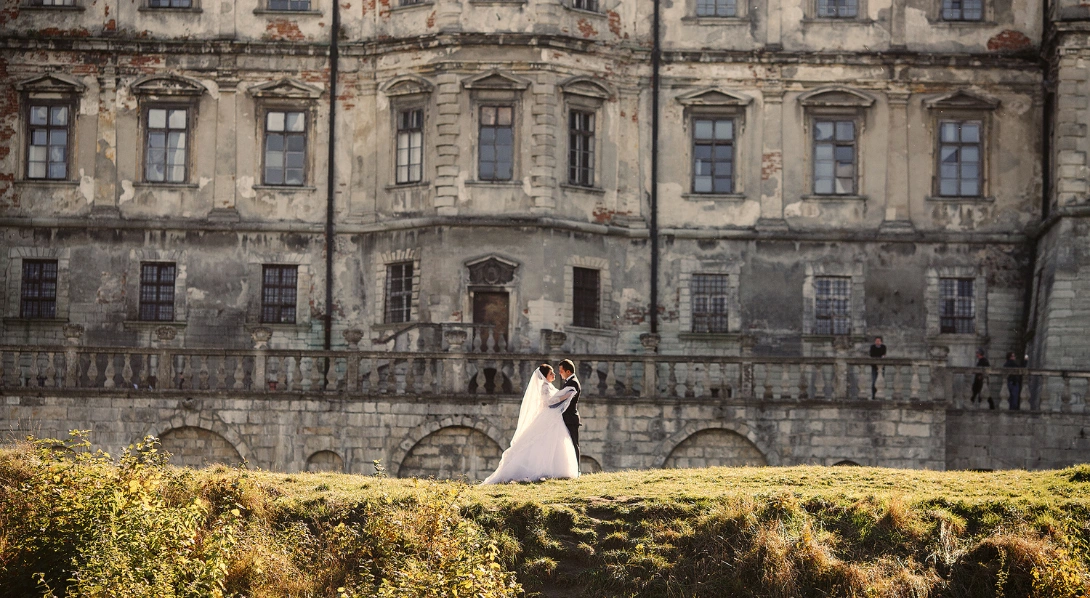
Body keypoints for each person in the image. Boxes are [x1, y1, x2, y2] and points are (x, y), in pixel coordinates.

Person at [481, 364, 579, 484]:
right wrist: (566, 396)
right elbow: (549, 401)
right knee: (544, 441)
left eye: (555, 372)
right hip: (548, 416)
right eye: (551, 373)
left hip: (553, 417)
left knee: (552, 441)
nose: (554, 374)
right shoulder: (545, 387)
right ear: (545, 376)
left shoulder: (549, 386)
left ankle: (556, 469)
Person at [549, 359, 582, 468]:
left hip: (570, 418)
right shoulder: (569, 382)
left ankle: (576, 468)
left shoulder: (573, 382)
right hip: (566, 418)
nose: (559, 373)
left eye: (561, 371)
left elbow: (565, 399)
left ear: (568, 372)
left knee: (573, 444)